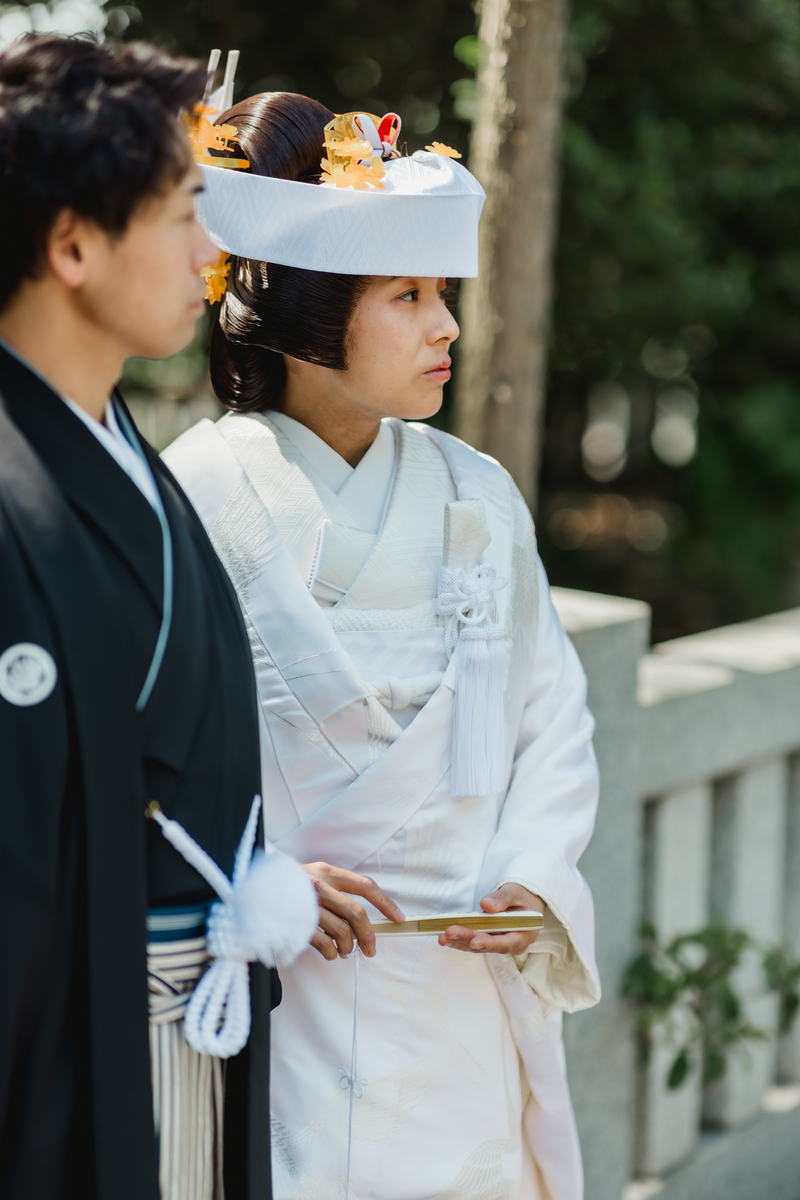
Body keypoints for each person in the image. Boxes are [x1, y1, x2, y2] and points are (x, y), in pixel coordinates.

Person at [164, 91, 601, 1200]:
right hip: (282, 983)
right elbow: (134, 755)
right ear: (307, 319)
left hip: (459, 988)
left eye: (441, 295)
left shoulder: (476, 493)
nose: (445, 327)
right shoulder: (194, 497)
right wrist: (252, 879)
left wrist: (533, 875)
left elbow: (550, 714)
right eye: (407, 296)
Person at [0, 36, 316, 1200]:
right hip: (69, 1056)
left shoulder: (121, 451)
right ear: (72, 244)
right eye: (184, 213)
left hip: (189, 1027)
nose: (211, 251)